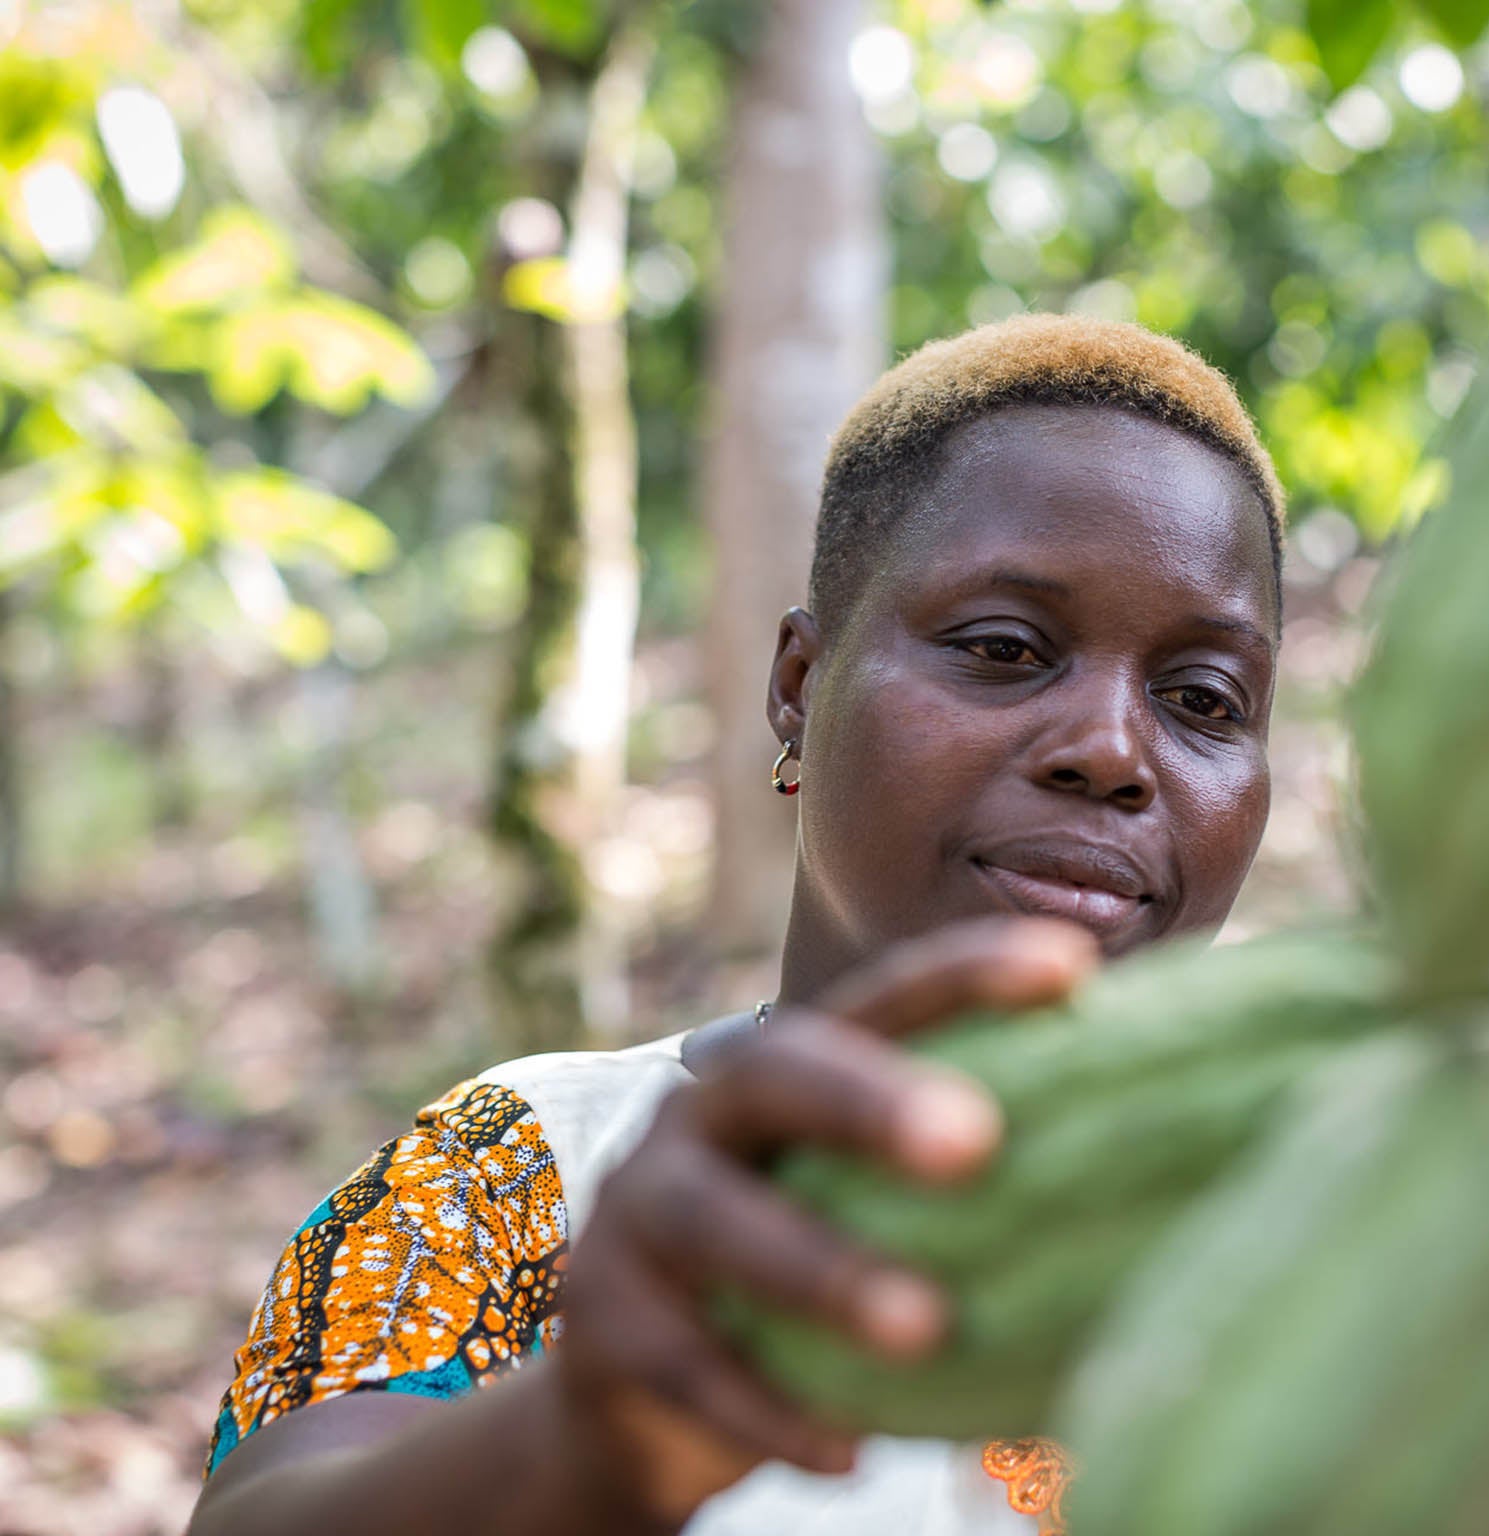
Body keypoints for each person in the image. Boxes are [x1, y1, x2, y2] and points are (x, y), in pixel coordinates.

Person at [188, 313, 1287, 1536]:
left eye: (1201, 698)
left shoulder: (1352, 1234)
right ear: (799, 688)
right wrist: (582, 1446)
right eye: (1002, 648)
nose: (1108, 749)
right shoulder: (523, 1178)